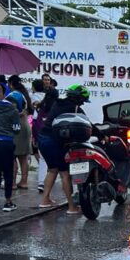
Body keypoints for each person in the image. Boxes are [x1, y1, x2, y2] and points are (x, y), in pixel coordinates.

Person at [37, 83, 90, 214]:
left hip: (43, 139)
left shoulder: (57, 103)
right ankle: (72, 207)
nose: (83, 103)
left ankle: (45, 200)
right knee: (65, 173)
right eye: (83, 100)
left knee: (52, 170)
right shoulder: (76, 109)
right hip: (56, 142)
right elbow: (88, 125)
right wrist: (102, 136)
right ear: (79, 98)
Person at [0, 91, 24, 215]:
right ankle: (8, 202)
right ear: (15, 103)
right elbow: (17, 130)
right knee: (8, 172)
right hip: (6, 143)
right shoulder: (13, 111)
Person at [7, 75, 32, 189]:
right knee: (23, 157)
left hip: (15, 127)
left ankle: (12, 183)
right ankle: (24, 181)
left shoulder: (13, 95)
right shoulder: (25, 95)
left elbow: (10, 111)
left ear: (11, 83)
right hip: (25, 126)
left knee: (12, 155)